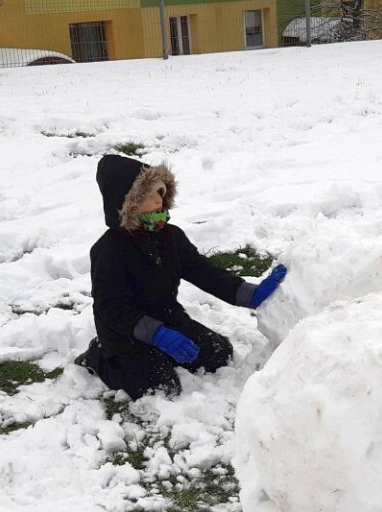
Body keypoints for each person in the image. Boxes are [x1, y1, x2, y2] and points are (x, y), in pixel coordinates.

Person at [76, 154, 287, 399]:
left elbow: (202, 271)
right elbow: (111, 307)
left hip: (168, 319)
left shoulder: (170, 236)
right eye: (148, 196)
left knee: (219, 353)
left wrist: (247, 293)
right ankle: (98, 355)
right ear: (127, 204)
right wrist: (157, 334)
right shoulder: (109, 249)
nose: (158, 200)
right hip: (125, 335)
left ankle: (163, 349)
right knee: (160, 388)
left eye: (160, 192)